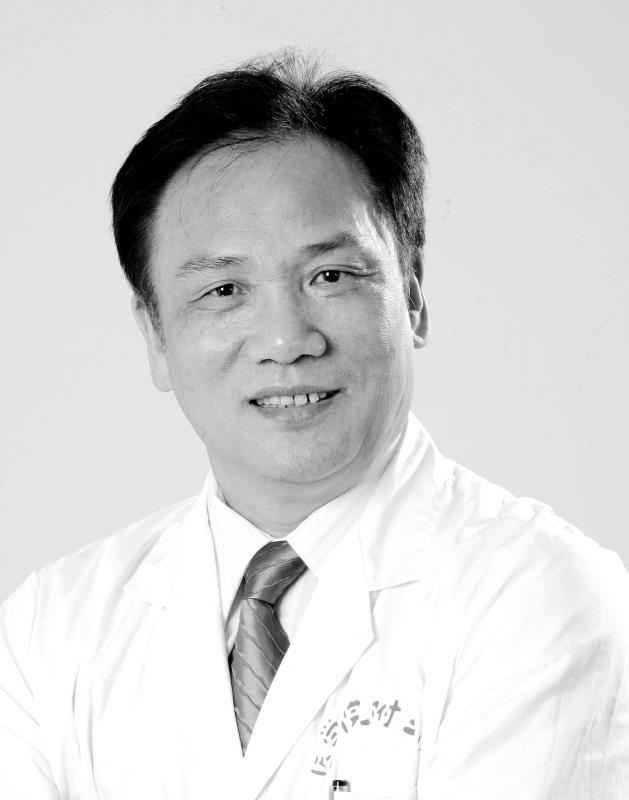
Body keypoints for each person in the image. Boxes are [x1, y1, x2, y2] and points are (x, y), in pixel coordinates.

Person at [1, 51, 628, 800]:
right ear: (156, 337)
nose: (286, 339)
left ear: (413, 296)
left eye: (329, 276)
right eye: (224, 290)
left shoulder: (541, 593)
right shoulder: (50, 627)